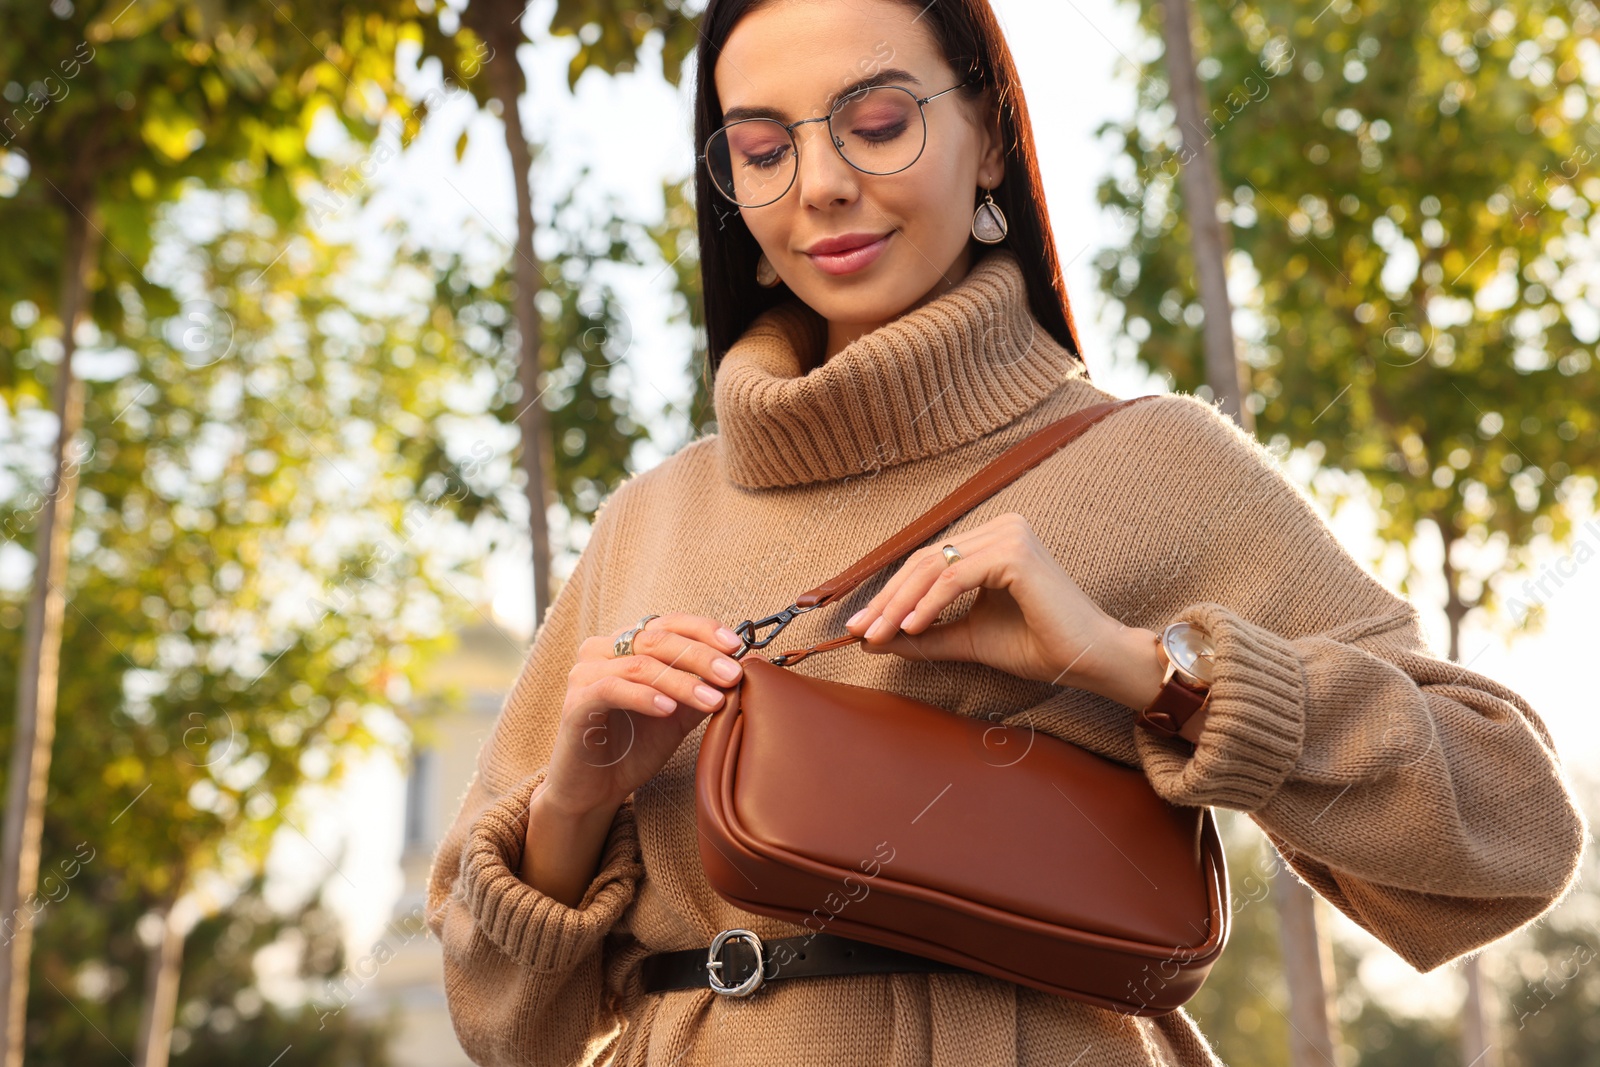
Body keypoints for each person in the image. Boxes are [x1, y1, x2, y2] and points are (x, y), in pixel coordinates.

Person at [423, 1, 1588, 1064]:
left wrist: (1145, 672)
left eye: (877, 123)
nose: (819, 183)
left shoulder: (1154, 461)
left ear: (987, 134)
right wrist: (572, 803)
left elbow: (1513, 830)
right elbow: (505, 1024)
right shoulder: (649, 517)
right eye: (763, 149)